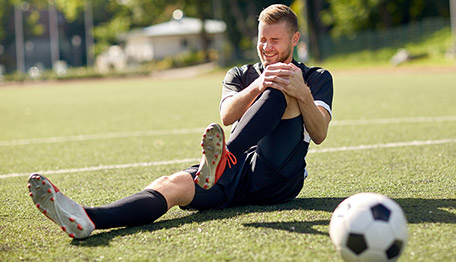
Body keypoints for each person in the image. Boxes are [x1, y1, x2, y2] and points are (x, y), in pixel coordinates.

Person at [27, 4, 333, 239]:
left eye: (275, 40)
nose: (267, 48)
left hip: (277, 175)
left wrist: (302, 94)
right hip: (235, 172)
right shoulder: (240, 74)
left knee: (285, 88)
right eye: (262, 40)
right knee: (172, 185)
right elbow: (227, 115)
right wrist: (257, 85)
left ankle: (223, 159)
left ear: (294, 39)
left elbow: (319, 134)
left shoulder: (317, 77)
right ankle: (88, 218)